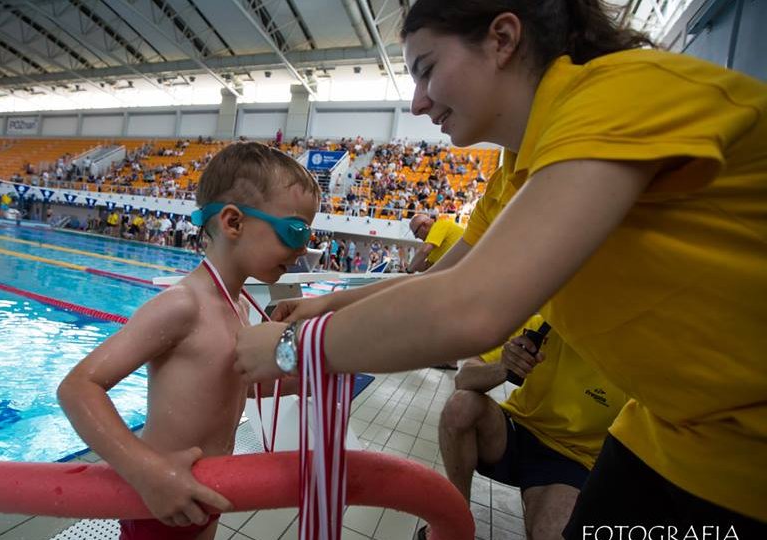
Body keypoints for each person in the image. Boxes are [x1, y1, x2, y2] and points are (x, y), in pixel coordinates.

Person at [234, 0, 767, 536]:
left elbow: (472, 308)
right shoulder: (518, 170)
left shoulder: (616, 94)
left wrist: (292, 351)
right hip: (668, 432)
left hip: (747, 457)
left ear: (502, 39)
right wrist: (323, 304)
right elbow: (440, 280)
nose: (417, 102)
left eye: (426, 70)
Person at [58, 142, 320, 540]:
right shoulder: (183, 305)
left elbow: (235, 386)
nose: (304, 247)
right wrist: (146, 472)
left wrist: (312, 370)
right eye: (296, 231)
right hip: (161, 498)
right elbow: (78, 387)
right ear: (233, 223)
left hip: (206, 491)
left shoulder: (240, 304)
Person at [421, 315, 626, 540]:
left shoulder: (635, 359)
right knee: (461, 405)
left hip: (572, 459)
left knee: (551, 532)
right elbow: (464, 378)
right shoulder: (545, 324)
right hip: (516, 431)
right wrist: (503, 367)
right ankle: (455, 521)